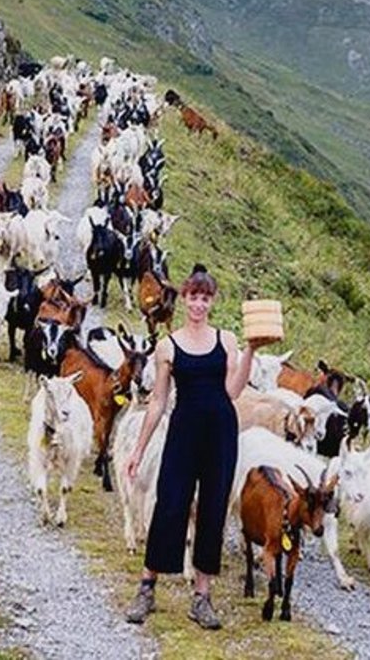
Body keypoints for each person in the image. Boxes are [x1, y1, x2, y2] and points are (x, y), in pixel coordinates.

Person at [122, 263, 254, 629]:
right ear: (184, 299)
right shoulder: (168, 345)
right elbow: (159, 402)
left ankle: (202, 597)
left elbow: (233, 391)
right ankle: (147, 588)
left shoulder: (226, 340)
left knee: (213, 510)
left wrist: (251, 352)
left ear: (212, 301)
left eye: (205, 298)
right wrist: (138, 450)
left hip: (220, 433)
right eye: (194, 297)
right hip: (183, 432)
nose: (199, 304)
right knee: (171, 504)